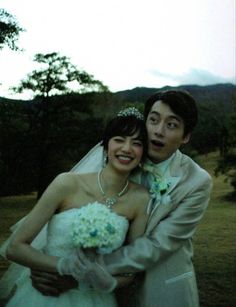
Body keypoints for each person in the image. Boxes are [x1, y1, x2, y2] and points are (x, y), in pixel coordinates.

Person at [30, 89, 212, 307]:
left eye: (171, 125)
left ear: (186, 136)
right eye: (153, 120)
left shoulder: (197, 181)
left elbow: (157, 245)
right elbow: (72, 212)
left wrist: (79, 269)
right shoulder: (122, 156)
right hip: (108, 295)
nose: (159, 131)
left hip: (162, 291)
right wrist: (48, 263)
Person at [2, 108, 152, 307]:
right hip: (45, 295)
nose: (127, 148)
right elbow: (15, 247)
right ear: (106, 146)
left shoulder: (141, 199)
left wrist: (84, 281)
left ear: (142, 153)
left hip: (95, 298)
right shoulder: (66, 184)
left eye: (137, 143)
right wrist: (63, 266)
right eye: (119, 139)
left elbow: (130, 269)